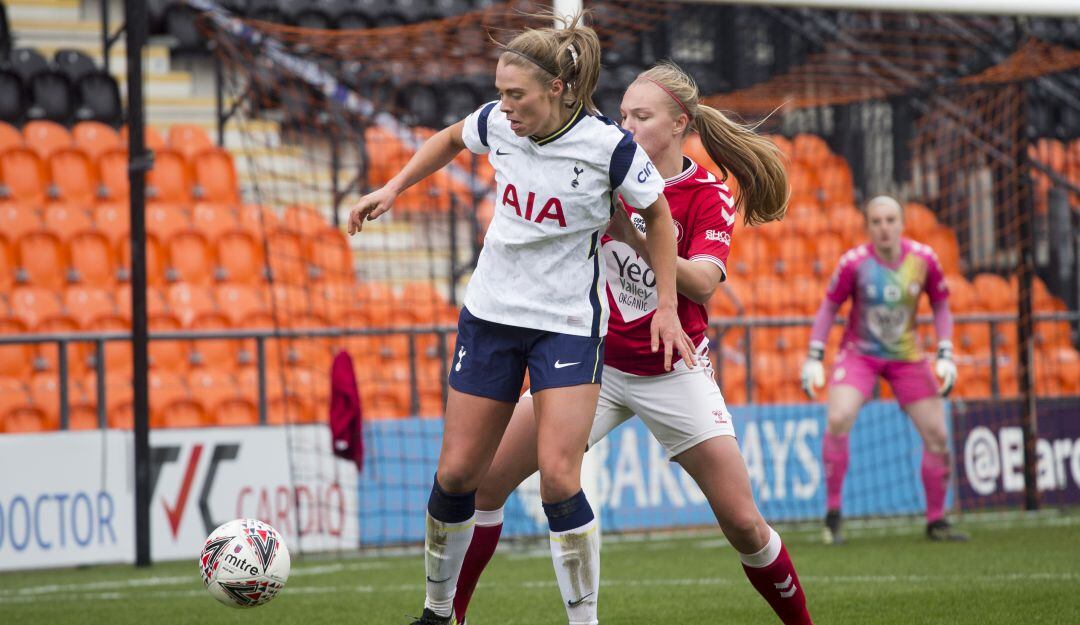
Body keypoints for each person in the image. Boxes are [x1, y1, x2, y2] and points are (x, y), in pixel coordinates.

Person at [347, 13, 694, 625]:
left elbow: (659, 219)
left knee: (560, 478)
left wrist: (666, 306)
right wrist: (394, 186)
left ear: (557, 89)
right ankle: (436, 612)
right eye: (500, 92)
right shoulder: (497, 124)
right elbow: (452, 137)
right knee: (457, 474)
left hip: (565, 322)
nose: (503, 107)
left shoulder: (608, 147)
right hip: (490, 316)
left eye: (516, 95)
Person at [450, 61, 814, 625]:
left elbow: (703, 283)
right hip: (593, 364)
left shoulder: (707, 195)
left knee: (743, 522)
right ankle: (452, 615)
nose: (627, 126)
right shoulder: (605, 165)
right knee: (485, 484)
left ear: (678, 125)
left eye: (641, 117)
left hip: (674, 369)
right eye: (623, 115)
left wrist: (632, 236)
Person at [800, 195, 967, 544]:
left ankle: (936, 521)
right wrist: (814, 356)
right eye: (877, 221)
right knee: (838, 418)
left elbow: (941, 305)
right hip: (860, 354)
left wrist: (946, 351)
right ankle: (832, 515)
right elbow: (829, 308)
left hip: (906, 356)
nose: (884, 227)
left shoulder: (924, 259)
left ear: (902, 223)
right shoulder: (854, 263)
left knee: (937, 435)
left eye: (890, 220)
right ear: (868, 227)